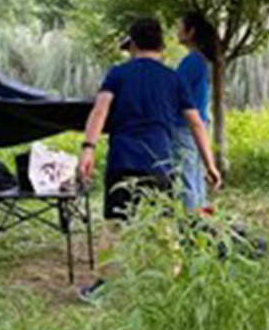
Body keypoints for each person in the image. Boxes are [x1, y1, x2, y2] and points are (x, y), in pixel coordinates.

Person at [79, 17, 221, 221]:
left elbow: (99, 111)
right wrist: (210, 165)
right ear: (161, 46)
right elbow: (197, 124)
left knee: (117, 226)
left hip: (122, 163)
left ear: (133, 44)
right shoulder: (174, 78)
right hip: (161, 165)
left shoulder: (117, 74)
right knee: (161, 229)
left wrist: (88, 149)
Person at [174, 11, 219, 211]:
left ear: (190, 32)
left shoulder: (191, 61)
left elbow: (174, 91)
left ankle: (191, 220)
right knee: (196, 174)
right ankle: (199, 217)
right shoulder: (201, 60)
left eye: (180, 27)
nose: (177, 31)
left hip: (185, 126)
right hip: (199, 124)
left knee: (187, 177)